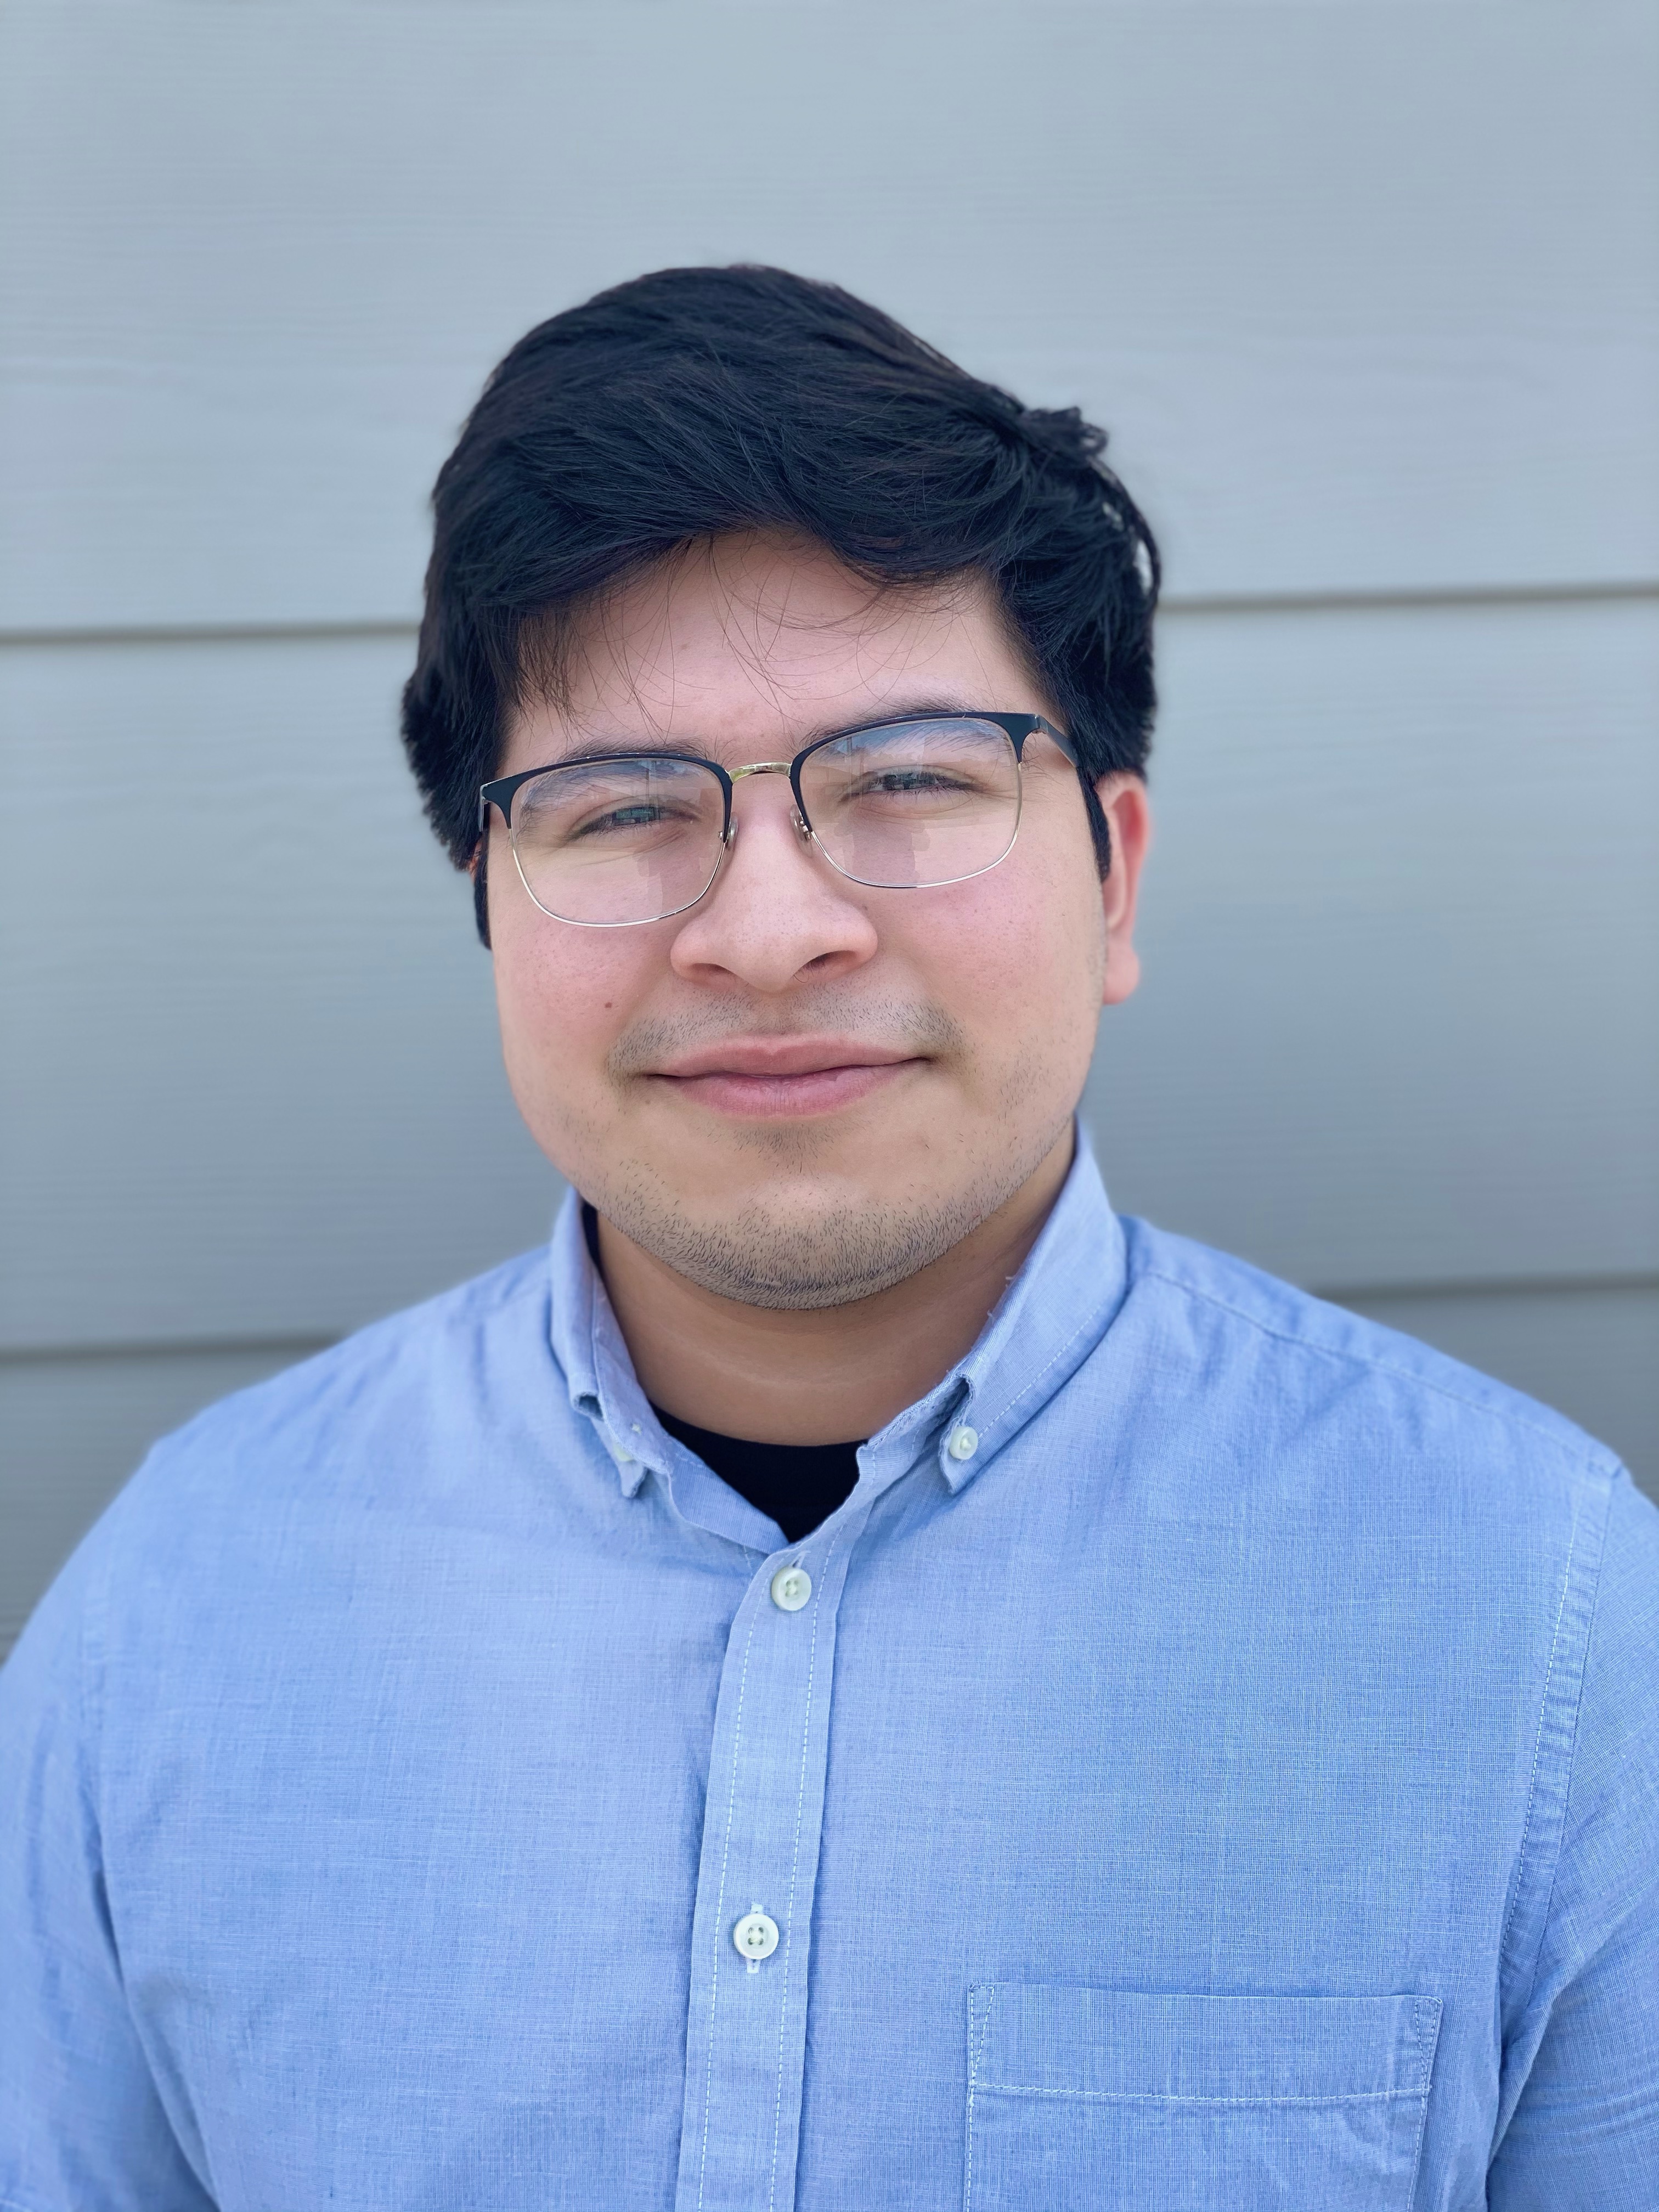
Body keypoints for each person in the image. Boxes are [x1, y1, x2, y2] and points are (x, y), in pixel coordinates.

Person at [2, 266, 1654, 2211]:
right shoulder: (179, 1609)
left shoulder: (1545, 1614)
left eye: (910, 781)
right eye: (623, 810)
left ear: (1115, 876)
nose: (770, 931)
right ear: (489, 903)